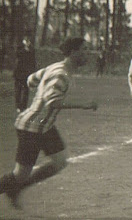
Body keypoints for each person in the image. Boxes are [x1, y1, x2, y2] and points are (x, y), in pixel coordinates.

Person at [0, 37, 97, 208]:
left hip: (44, 126)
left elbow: (31, 80)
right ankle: (15, 188)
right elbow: (52, 103)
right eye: (84, 50)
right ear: (73, 52)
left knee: (60, 161)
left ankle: (17, 189)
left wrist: (40, 94)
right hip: (32, 127)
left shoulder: (55, 67)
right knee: (20, 174)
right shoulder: (61, 74)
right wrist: (84, 105)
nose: (87, 54)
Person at [14, 37, 37, 113]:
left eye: (28, 41)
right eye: (26, 41)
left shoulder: (31, 51)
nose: (28, 43)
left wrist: (33, 72)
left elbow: (33, 62)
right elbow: (17, 56)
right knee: (18, 89)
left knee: (26, 90)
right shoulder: (20, 49)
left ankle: (23, 106)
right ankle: (18, 106)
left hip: (26, 73)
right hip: (19, 72)